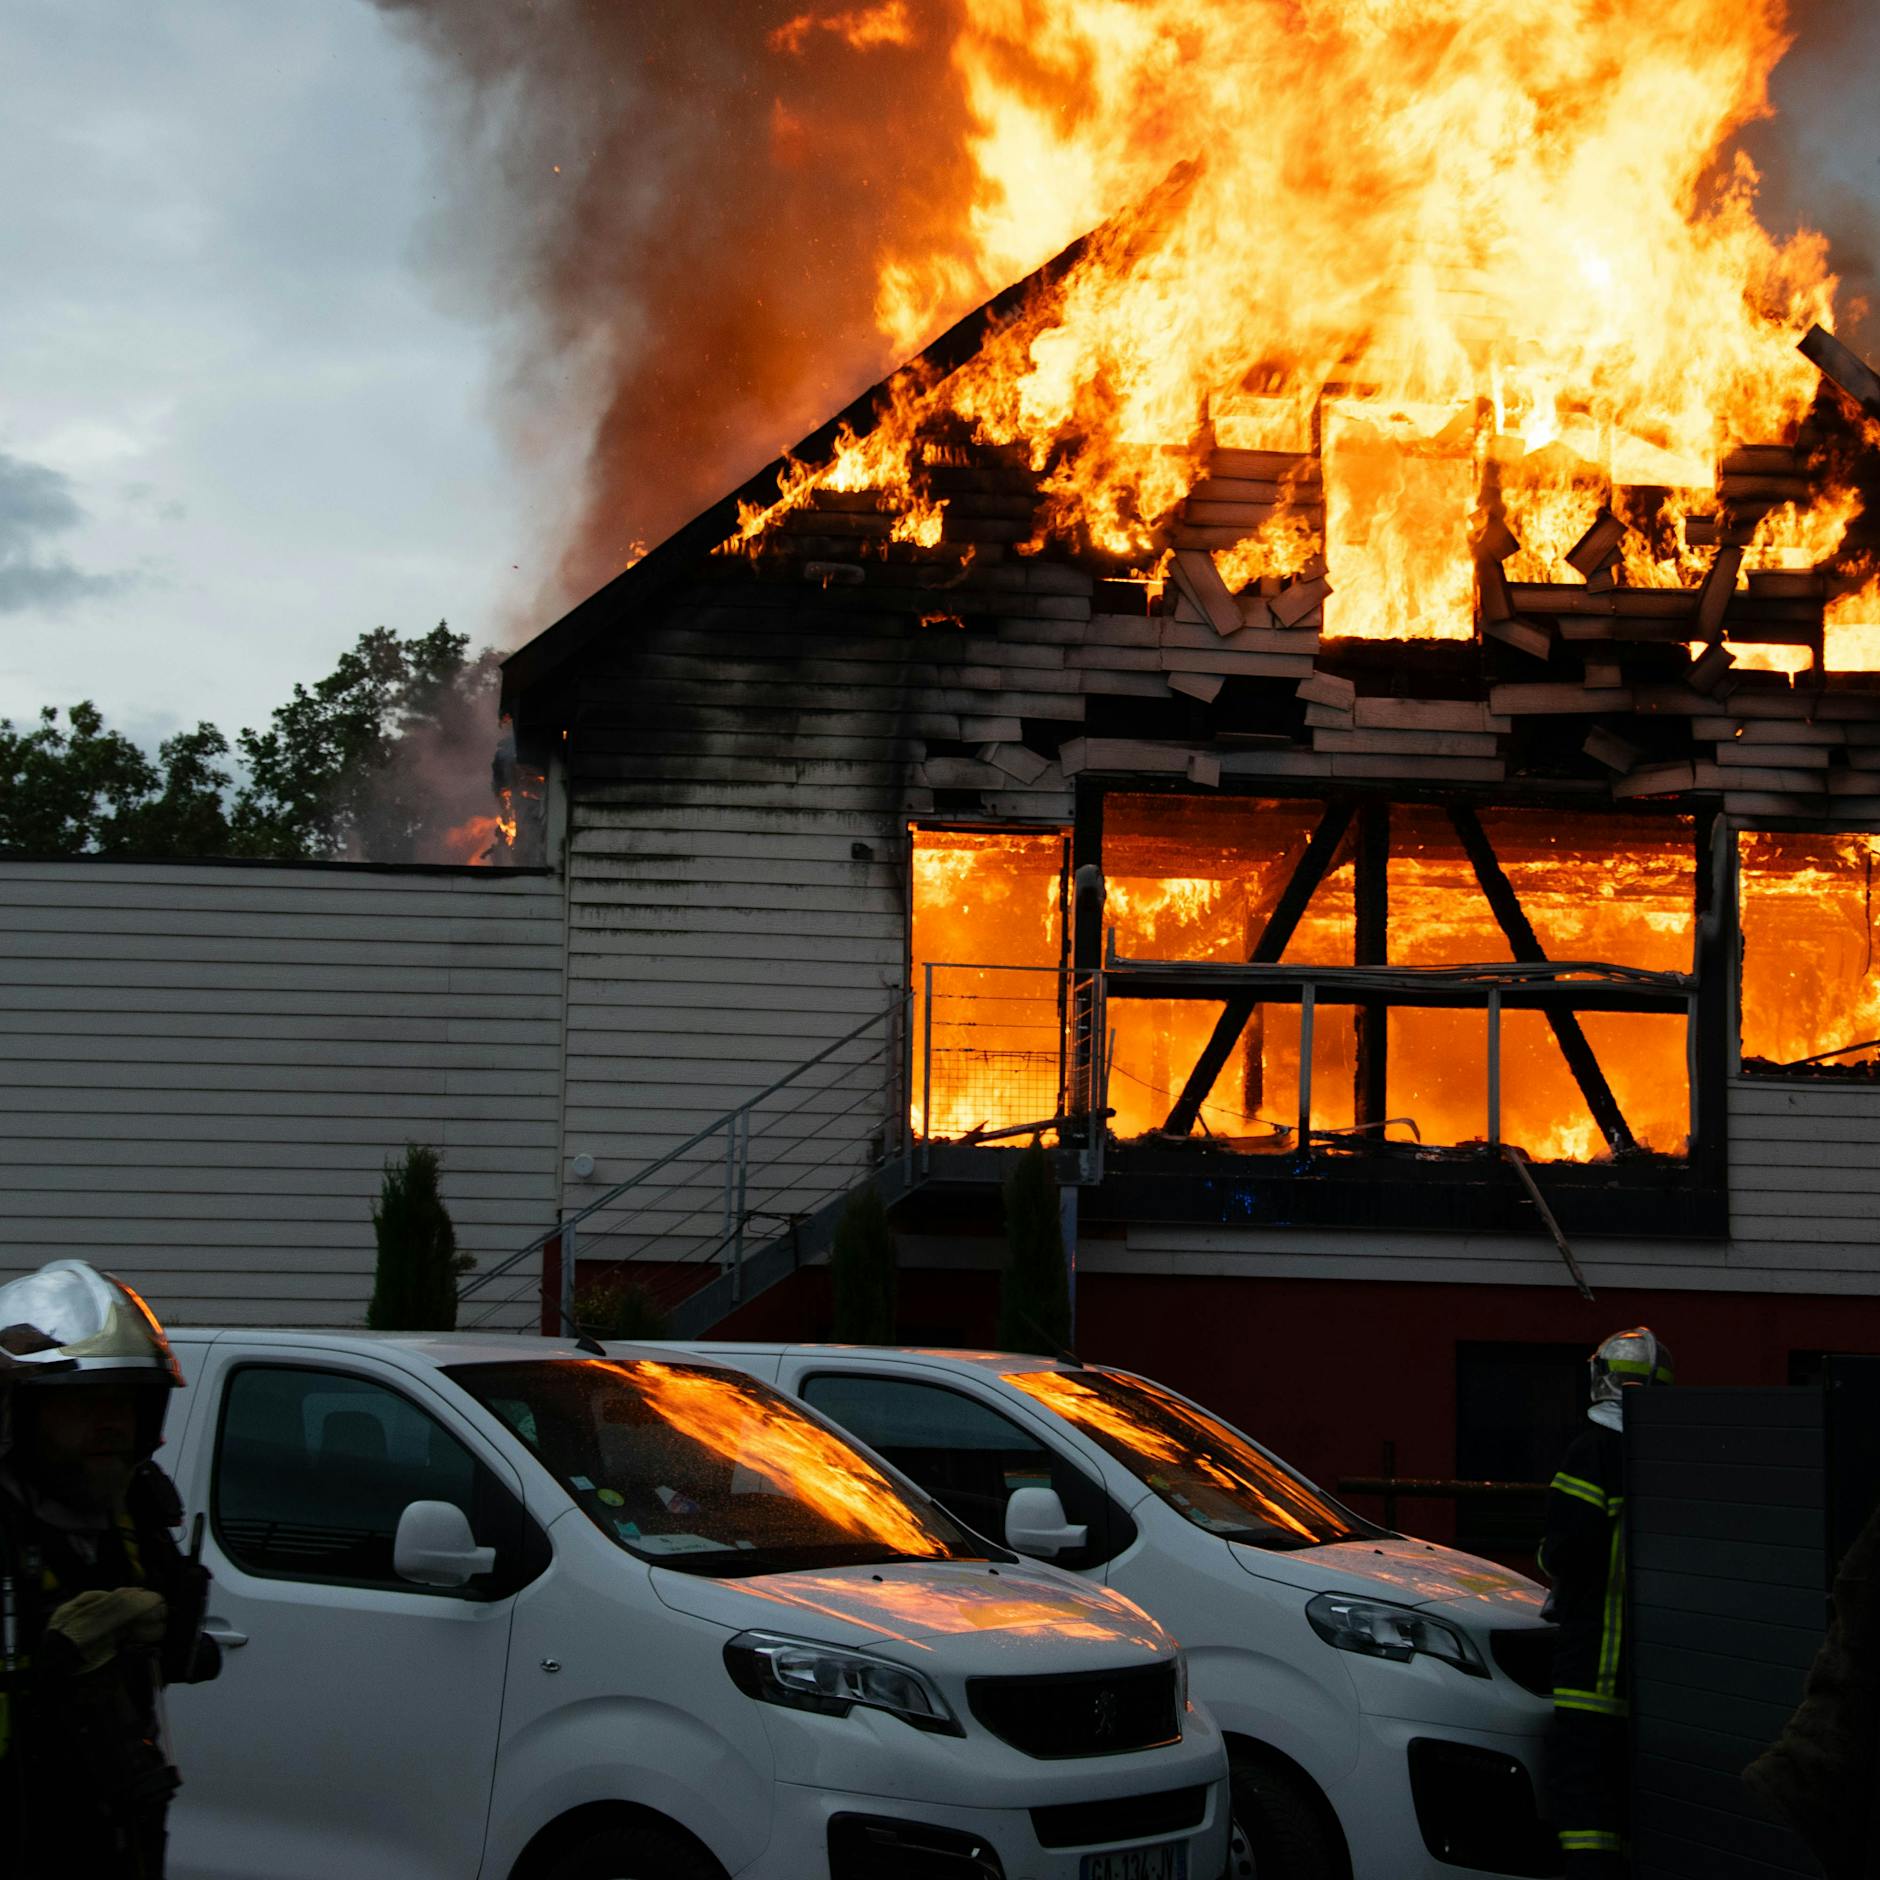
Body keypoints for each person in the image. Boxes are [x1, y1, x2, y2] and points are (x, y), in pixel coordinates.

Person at [0, 1259, 220, 1878]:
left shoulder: (134, 1514)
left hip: (117, 1831)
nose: (111, 1423)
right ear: (21, 1414)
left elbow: (170, 1661)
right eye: (84, 1402)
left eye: (124, 1401)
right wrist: (45, 1663)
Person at [1541, 1325, 1674, 1878]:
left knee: (1583, 1804)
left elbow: (1567, 1549)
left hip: (1592, 1660)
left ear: (1601, 1380)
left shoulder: (1592, 1449)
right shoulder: (1674, 1457)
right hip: (1654, 1674)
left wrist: (1548, 1559)